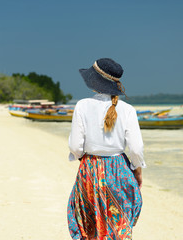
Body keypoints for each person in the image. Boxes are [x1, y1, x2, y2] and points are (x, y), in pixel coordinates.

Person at [67, 58, 146, 240]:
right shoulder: (127, 110)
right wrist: (138, 171)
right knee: (117, 224)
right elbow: (136, 149)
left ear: (94, 81)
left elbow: (75, 146)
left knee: (89, 223)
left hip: (90, 168)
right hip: (118, 168)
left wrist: (82, 157)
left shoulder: (82, 106)